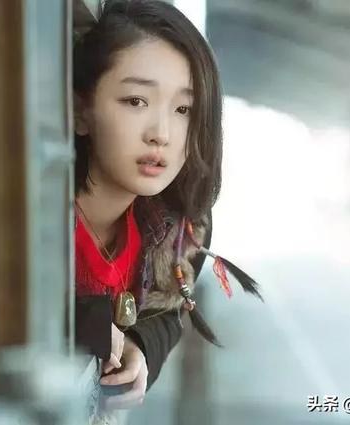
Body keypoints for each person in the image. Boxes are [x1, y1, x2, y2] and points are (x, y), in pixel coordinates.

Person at [72, 0, 260, 420]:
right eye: (136, 101)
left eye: (183, 110)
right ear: (81, 110)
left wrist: (140, 346)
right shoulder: (30, 217)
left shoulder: (174, 232)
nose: (162, 134)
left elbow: (167, 310)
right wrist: (83, 323)